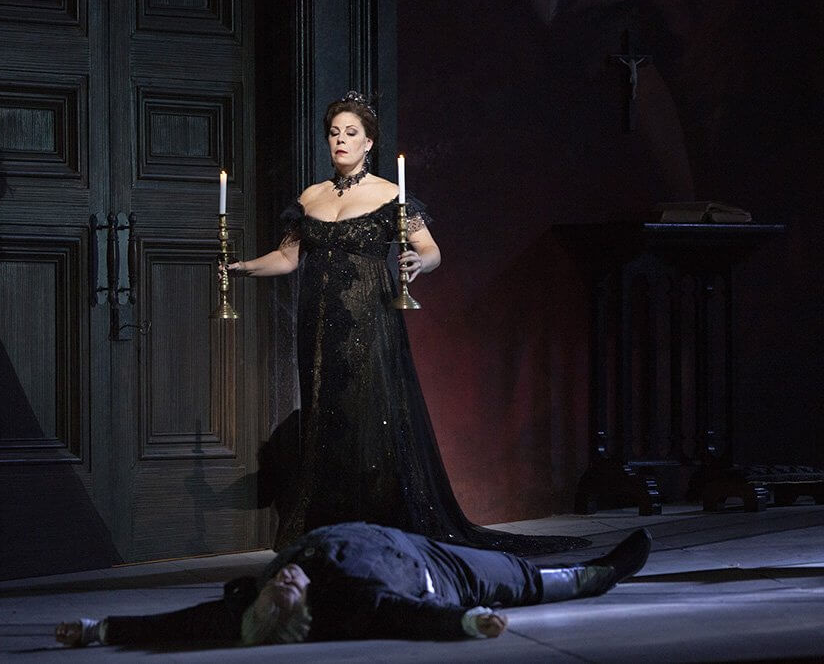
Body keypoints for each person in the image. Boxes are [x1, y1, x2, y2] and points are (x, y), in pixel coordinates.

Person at [227, 91, 585, 555]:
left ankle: (376, 529)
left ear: (368, 142)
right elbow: (287, 257)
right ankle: (332, 529)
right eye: (334, 133)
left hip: (368, 321)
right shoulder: (311, 197)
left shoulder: (389, 195)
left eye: (350, 133)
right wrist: (243, 268)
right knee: (325, 417)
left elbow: (432, 250)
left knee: (368, 417)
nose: (340, 140)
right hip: (317, 325)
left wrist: (420, 261)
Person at [55, 522, 652, 647]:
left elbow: (175, 627)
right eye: (287, 589)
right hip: (441, 576)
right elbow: (410, 617)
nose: (284, 576)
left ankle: (591, 573)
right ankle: (598, 576)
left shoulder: (248, 604)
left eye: (276, 583)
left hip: (404, 540)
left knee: (507, 566)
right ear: (299, 613)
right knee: (516, 575)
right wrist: (470, 622)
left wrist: (96, 629)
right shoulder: (355, 601)